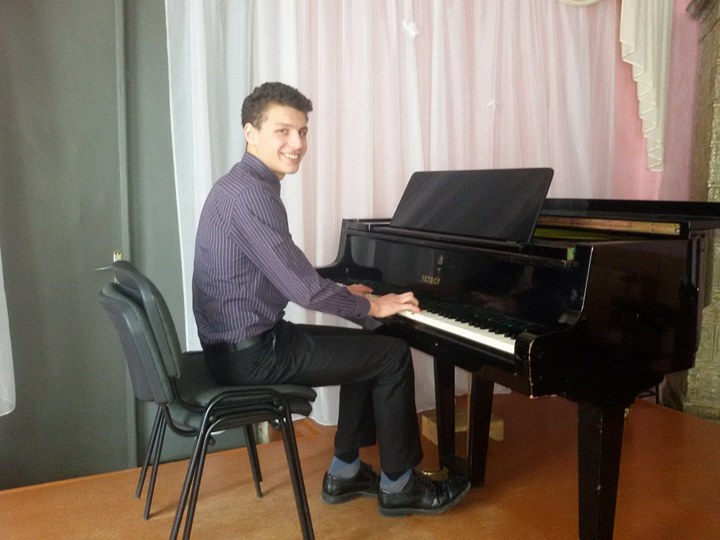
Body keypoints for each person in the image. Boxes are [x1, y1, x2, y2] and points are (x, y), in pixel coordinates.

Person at [192, 81, 470, 516]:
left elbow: (278, 269)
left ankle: (346, 471)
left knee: (371, 342)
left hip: (237, 347)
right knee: (391, 353)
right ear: (251, 132)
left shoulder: (239, 185)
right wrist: (374, 304)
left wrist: (344, 293)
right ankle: (400, 486)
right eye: (283, 131)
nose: (297, 143)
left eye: (302, 131)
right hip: (253, 355)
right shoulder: (252, 196)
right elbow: (302, 289)